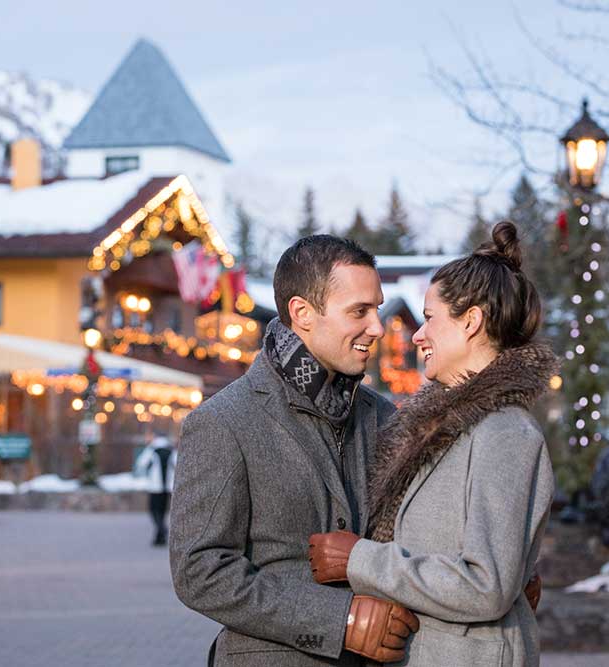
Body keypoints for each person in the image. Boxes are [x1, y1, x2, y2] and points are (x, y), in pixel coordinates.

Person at [309, 221, 556, 666]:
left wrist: (360, 561)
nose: (418, 335)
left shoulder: (504, 434)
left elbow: (486, 585)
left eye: (430, 318)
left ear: (471, 322)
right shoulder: (444, 428)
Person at [169, 235, 420, 666]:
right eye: (359, 311)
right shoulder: (223, 422)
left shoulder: (382, 416)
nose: (377, 327)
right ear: (302, 313)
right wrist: (339, 620)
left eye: (376, 309)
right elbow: (200, 570)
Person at [133, 435, 177, 546]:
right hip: (168, 487)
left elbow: (141, 463)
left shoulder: (152, 450)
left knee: (154, 511)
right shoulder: (171, 451)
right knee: (163, 511)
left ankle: (161, 529)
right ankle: (160, 535)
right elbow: (178, 465)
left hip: (155, 487)